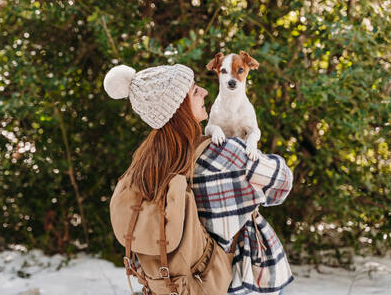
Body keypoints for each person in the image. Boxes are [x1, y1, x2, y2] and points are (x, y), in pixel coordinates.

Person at [105, 63, 293, 295]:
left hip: (181, 282)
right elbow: (282, 184)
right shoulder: (227, 155)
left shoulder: (144, 165)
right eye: (194, 91)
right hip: (238, 280)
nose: (204, 91)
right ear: (179, 108)